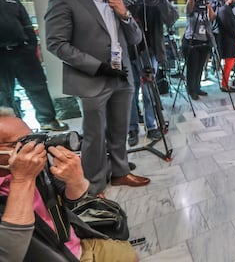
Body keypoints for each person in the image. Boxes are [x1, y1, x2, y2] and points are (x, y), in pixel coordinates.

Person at [45, 0, 151, 198]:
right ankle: (94, 185)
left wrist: (124, 14)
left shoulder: (115, 2)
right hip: (92, 78)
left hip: (121, 77)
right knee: (94, 134)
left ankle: (120, 171)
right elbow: (56, 44)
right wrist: (98, 67)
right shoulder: (65, 0)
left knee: (120, 129)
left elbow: (135, 39)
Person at [0, 107, 138, 261]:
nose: (34, 147)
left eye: (32, 137)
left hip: (75, 244)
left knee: (129, 256)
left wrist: (76, 180)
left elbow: (73, 201)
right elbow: (8, 256)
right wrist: (22, 180)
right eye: (22, 143)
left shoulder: (35, 166)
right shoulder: (25, 170)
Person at [0, 0, 68, 132]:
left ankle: (48, 120)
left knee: (37, 86)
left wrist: (31, 44)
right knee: (4, 94)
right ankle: (13, 128)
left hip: (22, 50)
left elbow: (25, 20)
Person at [126, 0, 179, 146]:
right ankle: (132, 128)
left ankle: (151, 126)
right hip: (129, 51)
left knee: (149, 92)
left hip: (151, 51)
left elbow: (172, 19)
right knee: (129, 92)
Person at [182, 0, 216, 100]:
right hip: (192, 40)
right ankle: (191, 89)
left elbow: (212, 18)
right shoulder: (191, 9)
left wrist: (208, 6)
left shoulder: (205, 7)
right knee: (192, 67)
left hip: (204, 41)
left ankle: (197, 87)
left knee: (200, 66)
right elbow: (188, 9)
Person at [216, 0, 235, 92]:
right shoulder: (223, 10)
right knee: (229, 64)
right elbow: (228, 26)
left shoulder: (227, 9)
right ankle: (224, 84)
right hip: (228, 41)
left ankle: (226, 83)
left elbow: (234, 24)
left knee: (230, 64)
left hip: (232, 40)